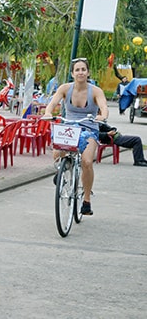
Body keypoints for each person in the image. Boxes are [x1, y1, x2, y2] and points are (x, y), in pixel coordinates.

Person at [44, 58, 109, 216]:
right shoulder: (65, 88)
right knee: (57, 154)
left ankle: (86, 200)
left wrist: (102, 116)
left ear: (88, 72)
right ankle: (63, 171)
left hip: (88, 127)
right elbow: (52, 104)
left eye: (83, 69)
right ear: (72, 73)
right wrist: (47, 113)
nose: (80, 72)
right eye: (77, 70)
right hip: (69, 127)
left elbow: (103, 107)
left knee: (87, 162)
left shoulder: (95, 91)